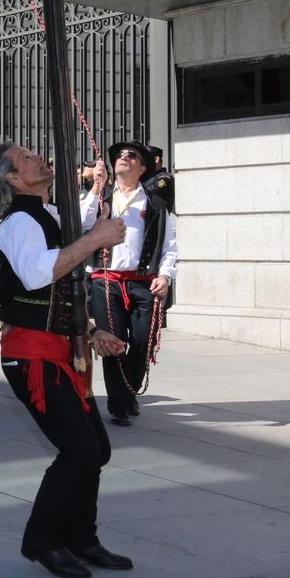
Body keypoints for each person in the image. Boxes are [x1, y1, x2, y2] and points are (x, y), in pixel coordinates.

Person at [0, 142, 134, 578]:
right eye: (27, 158)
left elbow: (61, 293)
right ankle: (43, 541)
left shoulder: (50, 217)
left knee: (97, 450)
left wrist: (90, 330)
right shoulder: (17, 222)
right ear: (12, 178)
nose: (39, 158)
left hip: (64, 348)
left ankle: (81, 538)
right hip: (31, 355)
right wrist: (94, 240)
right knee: (80, 450)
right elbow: (35, 274)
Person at [82, 141, 177, 427]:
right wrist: (96, 186)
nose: (124, 158)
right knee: (112, 343)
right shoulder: (100, 197)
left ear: (143, 167)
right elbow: (81, 222)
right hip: (105, 280)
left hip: (142, 282)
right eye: (120, 156)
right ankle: (119, 404)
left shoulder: (155, 203)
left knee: (141, 342)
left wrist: (165, 275)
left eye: (131, 155)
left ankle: (128, 391)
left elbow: (169, 245)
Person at [144, 145, 175, 213]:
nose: (141, 162)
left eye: (145, 158)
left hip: (160, 221)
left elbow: (148, 189)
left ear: (156, 159)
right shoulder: (144, 177)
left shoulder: (166, 177)